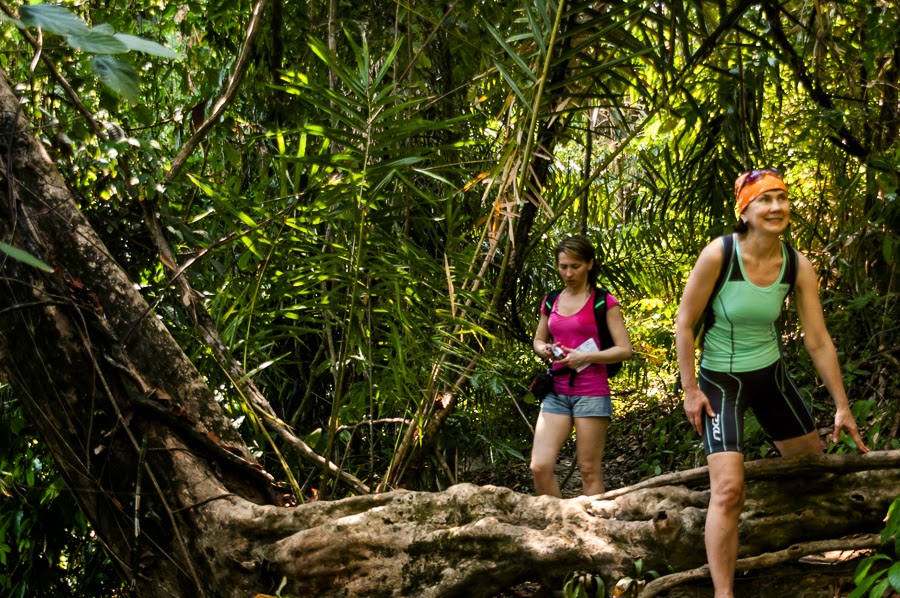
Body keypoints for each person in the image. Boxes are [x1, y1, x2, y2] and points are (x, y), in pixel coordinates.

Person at [674, 167, 869, 598]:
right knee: (728, 489)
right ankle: (724, 593)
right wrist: (690, 388)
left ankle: (810, 550)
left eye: (781, 197)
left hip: (770, 375)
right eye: (764, 199)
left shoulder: (797, 264)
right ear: (745, 211)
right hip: (720, 382)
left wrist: (842, 406)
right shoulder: (719, 255)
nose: (776, 206)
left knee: (810, 470)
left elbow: (817, 340)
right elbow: (685, 323)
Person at [530, 235, 633, 497]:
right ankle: (558, 524)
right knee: (539, 466)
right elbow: (539, 339)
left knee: (588, 470)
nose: (568, 273)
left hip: (591, 391)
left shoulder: (603, 301)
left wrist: (585, 357)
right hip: (556, 391)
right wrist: (545, 350)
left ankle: (592, 532)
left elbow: (624, 349)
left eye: (574, 266)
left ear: (589, 264)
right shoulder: (551, 300)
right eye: (563, 266)